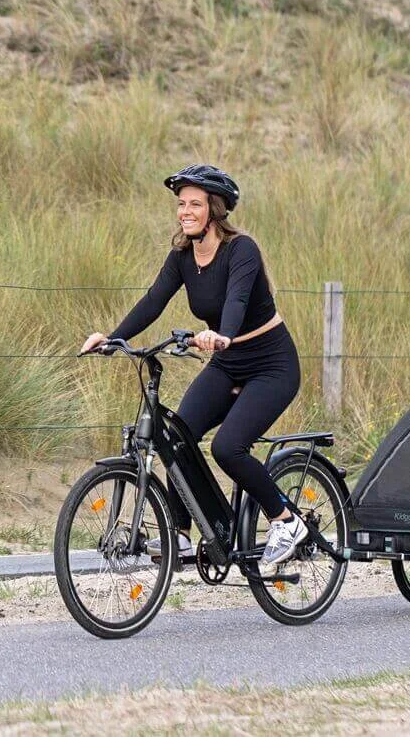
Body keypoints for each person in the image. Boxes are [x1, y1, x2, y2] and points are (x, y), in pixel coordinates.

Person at [79, 164, 307, 568]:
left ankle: (285, 520)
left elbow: (236, 301)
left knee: (227, 447)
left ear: (214, 209)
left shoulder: (242, 250)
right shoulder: (183, 256)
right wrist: (113, 338)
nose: (185, 211)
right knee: (178, 437)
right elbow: (153, 300)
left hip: (271, 366)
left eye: (195, 204)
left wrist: (222, 336)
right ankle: (181, 535)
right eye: (181, 203)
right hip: (228, 362)